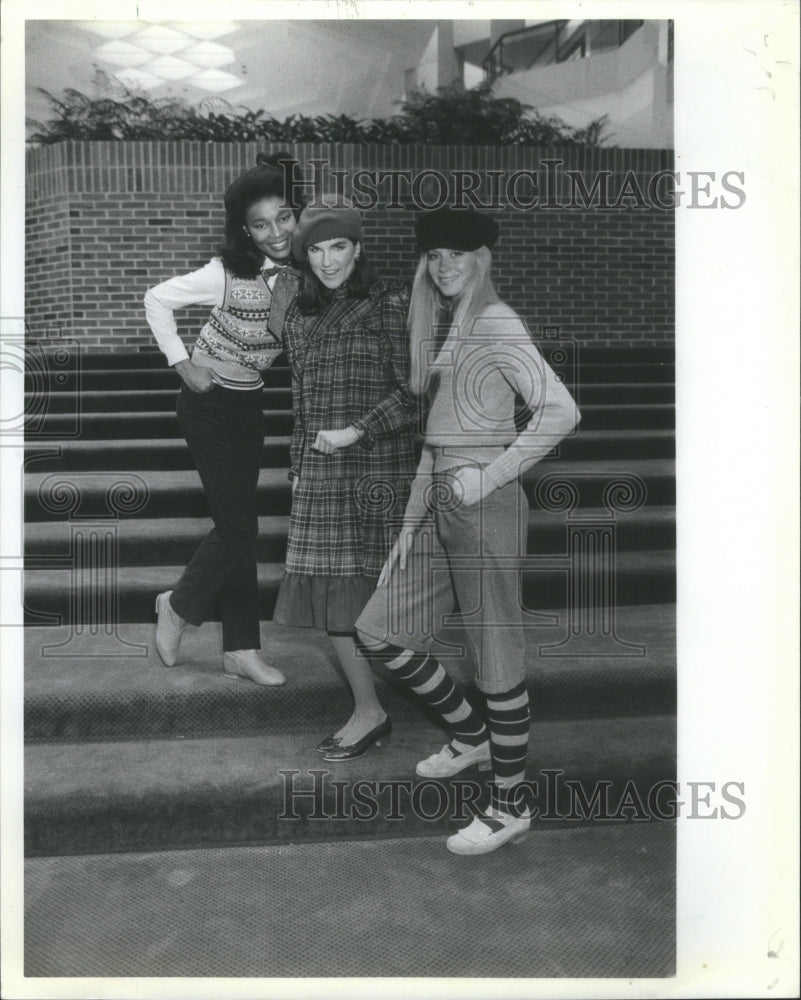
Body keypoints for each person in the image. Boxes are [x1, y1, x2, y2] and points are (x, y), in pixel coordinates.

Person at [355, 207, 581, 854]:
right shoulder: (450, 328)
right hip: (441, 506)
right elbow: (434, 442)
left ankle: (510, 806)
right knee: (378, 630)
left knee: (495, 659)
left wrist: (488, 478)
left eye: (457, 252)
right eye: (433, 254)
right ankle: (471, 735)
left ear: (482, 257)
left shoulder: (495, 321)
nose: (444, 263)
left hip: (484, 507)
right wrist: (408, 522)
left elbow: (560, 410)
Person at [144, 152, 302, 685]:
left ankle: (240, 649)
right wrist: (182, 364)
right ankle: (179, 607)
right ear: (245, 230)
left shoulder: (307, 274)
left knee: (236, 528)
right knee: (239, 526)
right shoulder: (223, 274)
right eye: (261, 224)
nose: (276, 231)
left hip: (249, 404)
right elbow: (156, 299)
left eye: (285, 216)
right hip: (207, 405)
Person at [272, 196, 416, 759]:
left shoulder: (391, 305)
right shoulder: (301, 316)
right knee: (335, 607)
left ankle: (461, 719)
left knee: (385, 604)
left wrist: (358, 430)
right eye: (316, 248)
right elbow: (301, 406)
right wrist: (298, 469)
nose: (328, 260)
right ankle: (368, 710)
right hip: (323, 476)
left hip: (378, 472)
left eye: (339, 246)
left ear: (358, 248)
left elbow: (416, 393)